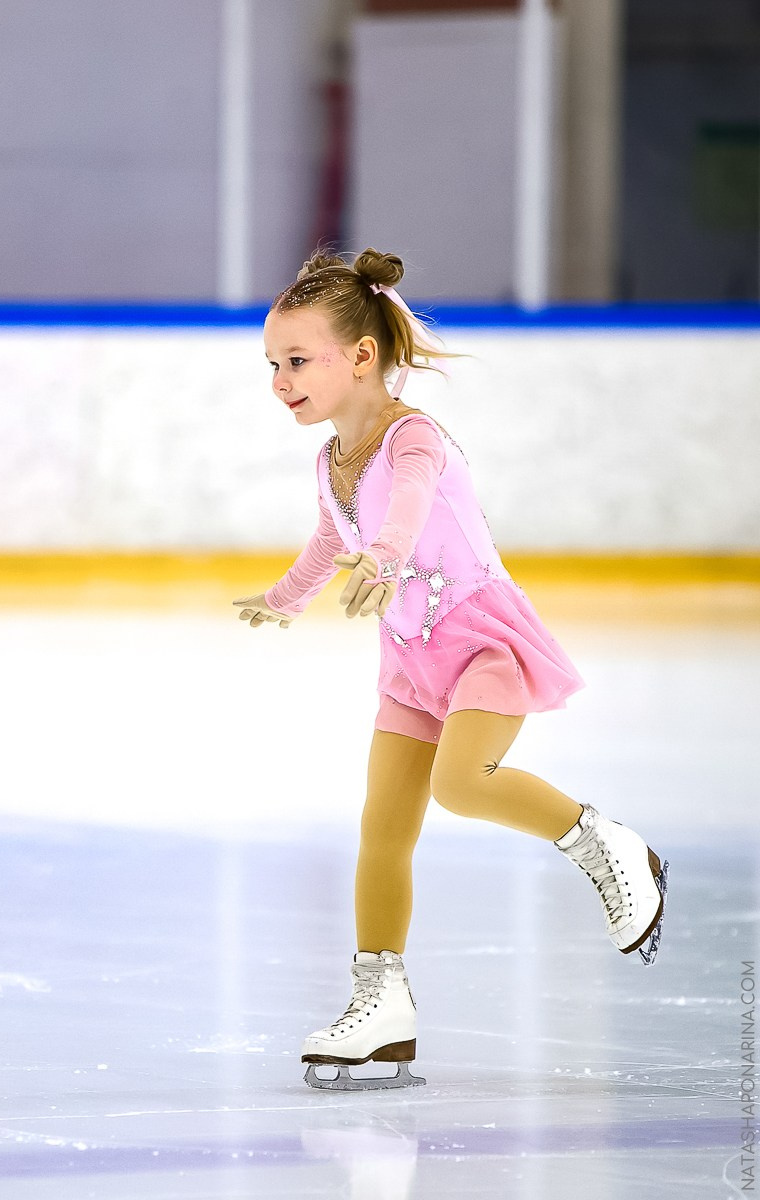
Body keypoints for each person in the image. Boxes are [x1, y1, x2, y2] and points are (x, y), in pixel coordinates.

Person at [232, 245, 669, 1092]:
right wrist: (286, 598)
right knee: (381, 831)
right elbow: (332, 538)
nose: (280, 379)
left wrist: (388, 559)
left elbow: (409, 505)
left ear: (361, 357)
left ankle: (609, 845)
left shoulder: (415, 436)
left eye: (296, 360)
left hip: (481, 642)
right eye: (272, 364)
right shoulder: (328, 462)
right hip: (409, 661)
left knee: (461, 784)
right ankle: (382, 1002)